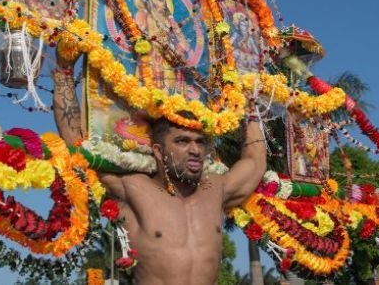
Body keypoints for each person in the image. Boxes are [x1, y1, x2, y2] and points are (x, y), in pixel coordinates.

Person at [53, 52, 267, 285]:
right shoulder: (133, 188)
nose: (195, 150)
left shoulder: (215, 189)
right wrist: (64, 71)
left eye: (200, 142)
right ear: (158, 150)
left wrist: (250, 106)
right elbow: (76, 145)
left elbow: (254, 164)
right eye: (182, 141)